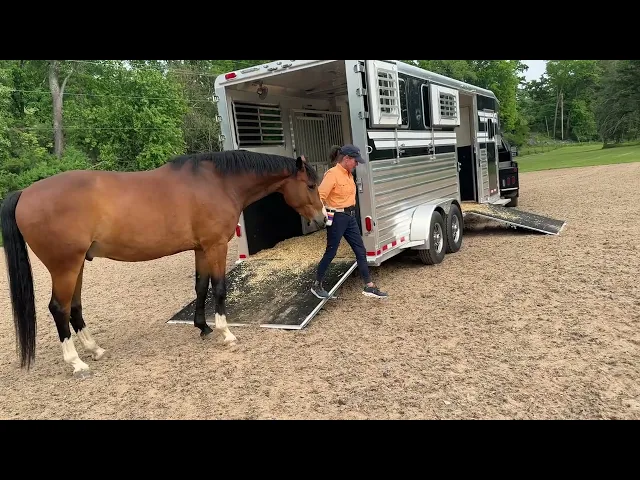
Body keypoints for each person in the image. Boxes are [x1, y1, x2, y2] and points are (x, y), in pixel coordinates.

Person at [311, 144, 388, 300]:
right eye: (355, 161)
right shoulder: (332, 174)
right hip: (336, 217)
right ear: (346, 159)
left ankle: (369, 286)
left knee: (360, 250)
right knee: (331, 251)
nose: (357, 164)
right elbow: (320, 197)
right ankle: (317, 285)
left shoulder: (348, 174)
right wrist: (324, 215)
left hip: (350, 217)